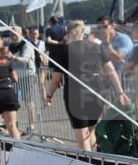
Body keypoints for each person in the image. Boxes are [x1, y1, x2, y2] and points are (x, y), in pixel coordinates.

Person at [45, 19, 131, 151]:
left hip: (76, 94)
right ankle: (95, 161)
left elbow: (56, 80)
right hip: (97, 93)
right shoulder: (97, 48)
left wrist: (49, 95)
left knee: (82, 136)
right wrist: (120, 92)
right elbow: (111, 71)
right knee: (90, 131)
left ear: (68, 34)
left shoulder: (65, 50)